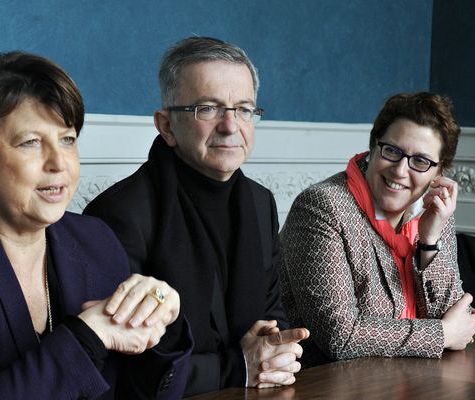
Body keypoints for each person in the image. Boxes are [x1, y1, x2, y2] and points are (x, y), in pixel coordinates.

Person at [0, 51, 192, 399]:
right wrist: (88, 336)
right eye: (31, 142)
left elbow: (136, 392)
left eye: (68, 139)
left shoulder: (94, 239)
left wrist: (165, 324)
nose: (59, 162)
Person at [83, 36, 308, 396]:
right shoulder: (117, 214)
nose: (231, 126)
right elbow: (126, 362)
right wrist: (240, 367)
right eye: (208, 108)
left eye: (245, 109)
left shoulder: (260, 201)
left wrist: (275, 349)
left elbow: (271, 312)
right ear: (166, 126)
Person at [279, 92, 475, 367]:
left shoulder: (435, 213)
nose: (400, 171)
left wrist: (430, 241)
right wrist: (442, 333)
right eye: (392, 151)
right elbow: (341, 337)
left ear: (439, 173)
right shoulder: (322, 208)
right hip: (327, 386)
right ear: (374, 147)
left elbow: (456, 318)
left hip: (410, 381)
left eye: (420, 161)